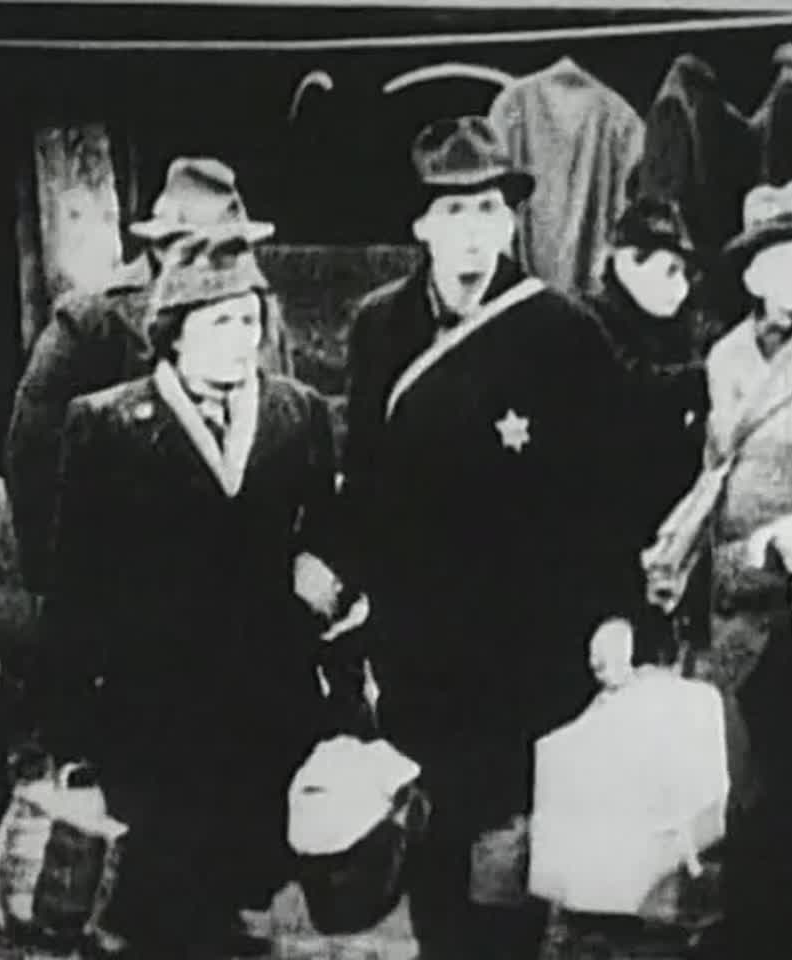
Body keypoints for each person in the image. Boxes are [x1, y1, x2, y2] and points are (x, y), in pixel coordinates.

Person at [339, 115, 633, 960]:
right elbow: (363, 473)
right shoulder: (378, 326)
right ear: (421, 224)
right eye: (453, 211)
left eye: (488, 210)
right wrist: (344, 584)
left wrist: (616, 611)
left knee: (506, 859)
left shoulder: (563, 332)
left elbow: (610, 491)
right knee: (432, 844)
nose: (472, 231)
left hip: (526, 643)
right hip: (417, 640)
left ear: (510, 222)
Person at [39, 227, 342, 959]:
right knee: (158, 914)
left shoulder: (297, 414)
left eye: (250, 320)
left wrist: (323, 574)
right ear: (174, 333)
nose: (242, 340)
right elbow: (74, 587)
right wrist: (68, 736)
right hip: (152, 718)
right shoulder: (107, 425)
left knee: (246, 905)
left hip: (264, 711)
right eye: (220, 322)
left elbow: (334, 531)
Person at [647, 179, 792, 960]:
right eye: (784, 255)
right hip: (741, 620)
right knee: (751, 821)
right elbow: (717, 472)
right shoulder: (727, 356)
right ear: (752, 274)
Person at [5, 156, 290, 595]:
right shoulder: (92, 322)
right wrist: (64, 583)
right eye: (199, 249)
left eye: (231, 249)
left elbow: (283, 435)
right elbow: (33, 456)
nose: (215, 266)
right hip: (130, 580)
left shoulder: (257, 317)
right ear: (160, 247)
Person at [586, 194, 712, 660]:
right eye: (669, 271)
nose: (679, 287)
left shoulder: (684, 328)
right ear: (627, 263)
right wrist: (705, 379)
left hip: (674, 524)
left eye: (684, 273)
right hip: (612, 525)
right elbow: (627, 388)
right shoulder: (589, 324)